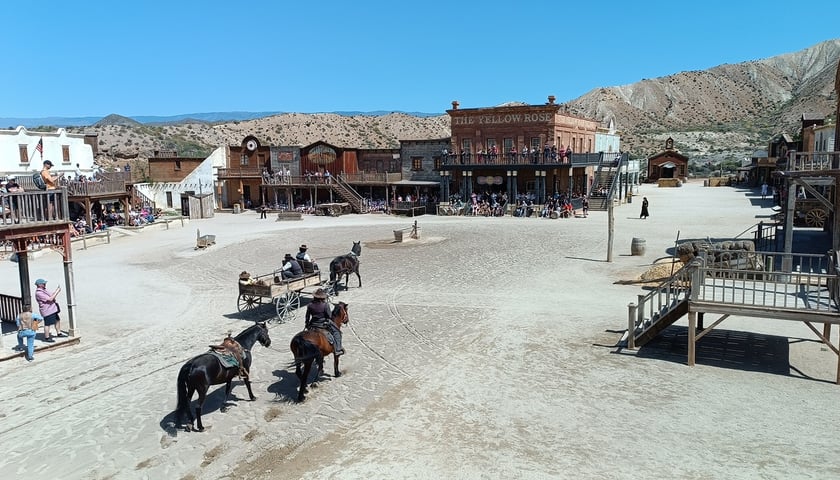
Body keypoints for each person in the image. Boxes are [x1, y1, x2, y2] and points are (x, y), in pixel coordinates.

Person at [305, 288, 343, 355]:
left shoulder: (310, 305)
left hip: (313, 323)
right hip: (323, 323)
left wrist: (307, 324)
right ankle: (338, 349)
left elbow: (307, 316)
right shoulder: (325, 305)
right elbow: (329, 316)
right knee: (337, 332)